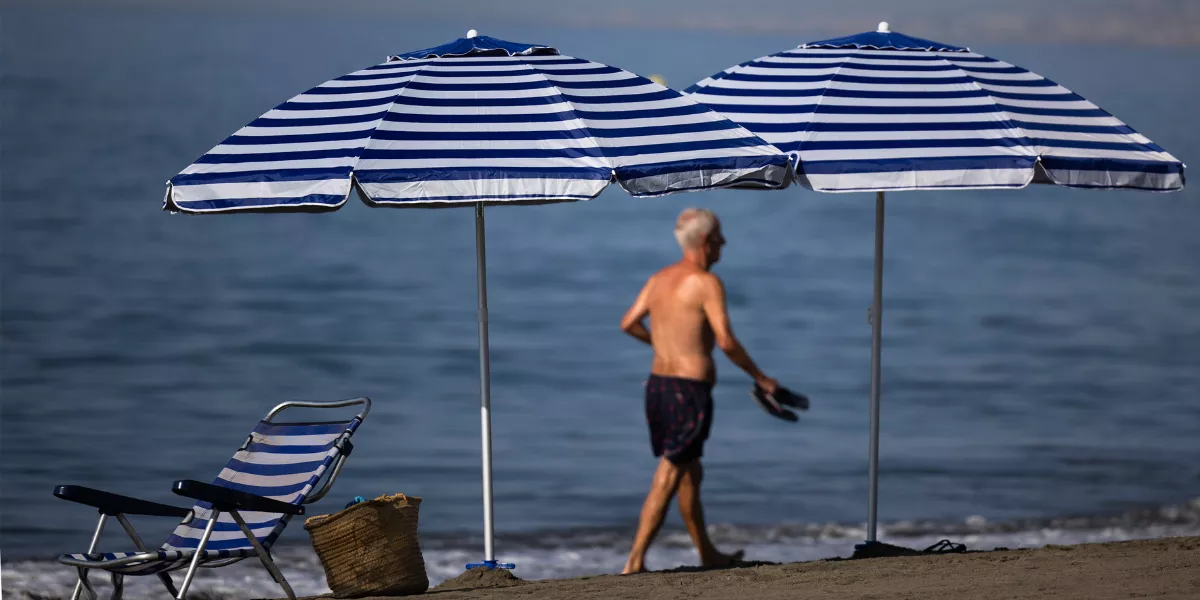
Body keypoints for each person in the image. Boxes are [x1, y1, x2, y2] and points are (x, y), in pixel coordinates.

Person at [619, 207, 779, 574]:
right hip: (688, 390)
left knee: (690, 472)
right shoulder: (706, 282)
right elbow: (726, 341)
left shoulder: (659, 279)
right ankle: (634, 561)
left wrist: (663, 346)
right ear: (705, 242)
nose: (725, 242)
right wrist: (761, 377)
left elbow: (628, 323)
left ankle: (708, 555)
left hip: (657, 387)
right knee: (671, 471)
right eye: (720, 236)